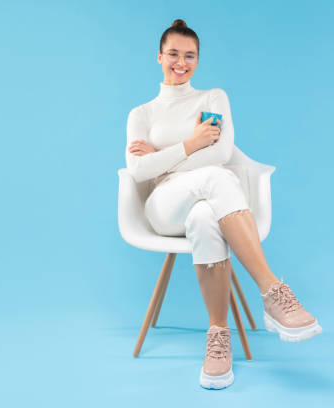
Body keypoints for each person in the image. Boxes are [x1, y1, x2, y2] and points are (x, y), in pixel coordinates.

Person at [125, 18, 322, 390]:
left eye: (189, 56)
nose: (180, 63)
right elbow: (138, 171)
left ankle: (219, 337)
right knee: (219, 177)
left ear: (198, 59)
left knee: (204, 216)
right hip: (163, 206)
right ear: (159, 57)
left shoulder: (212, 98)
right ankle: (273, 292)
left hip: (202, 199)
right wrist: (193, 144)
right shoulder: (142, 114)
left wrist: (162, 155)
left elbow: (223, 151)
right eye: (172, 54)